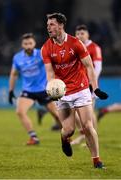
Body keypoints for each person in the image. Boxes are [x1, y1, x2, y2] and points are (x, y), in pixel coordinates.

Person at [41, 13, 108, 168]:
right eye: (47, 24)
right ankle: (64, 138)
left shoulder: (76, 43)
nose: (48, 27)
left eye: (51, 24)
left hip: (81, 89)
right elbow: (50, 72)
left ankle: (97, 161)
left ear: (60, 25)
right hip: (62, 92)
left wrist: (95, 88)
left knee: (87, 126)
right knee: (69, 130)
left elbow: (89, 66)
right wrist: (51, 88)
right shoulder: (46, 48)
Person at [8, 33, 61, 145]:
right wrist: (11, 90)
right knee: (20, 111)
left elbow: (53, 65)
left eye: (30, 43)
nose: (28, 46)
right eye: (25, 44)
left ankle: (65, 134)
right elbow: (14, 74)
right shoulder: (17, 58)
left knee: (57, 115)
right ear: (22, 45)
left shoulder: (41, 54)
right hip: (28, 91)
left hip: (45, 90)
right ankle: (34, 138)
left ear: (34, 44)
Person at [71, 24, 103, 145]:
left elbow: (98, 67)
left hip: (89, 84)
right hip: (76, 83)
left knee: (88, 113)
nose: (80, 36)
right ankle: (84, 135)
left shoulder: (95, 47)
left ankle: (92, 136)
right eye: (78, 34)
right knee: (74, 112)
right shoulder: (74, 46)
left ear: (87, 34)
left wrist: (91, 81)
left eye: (82, 33)